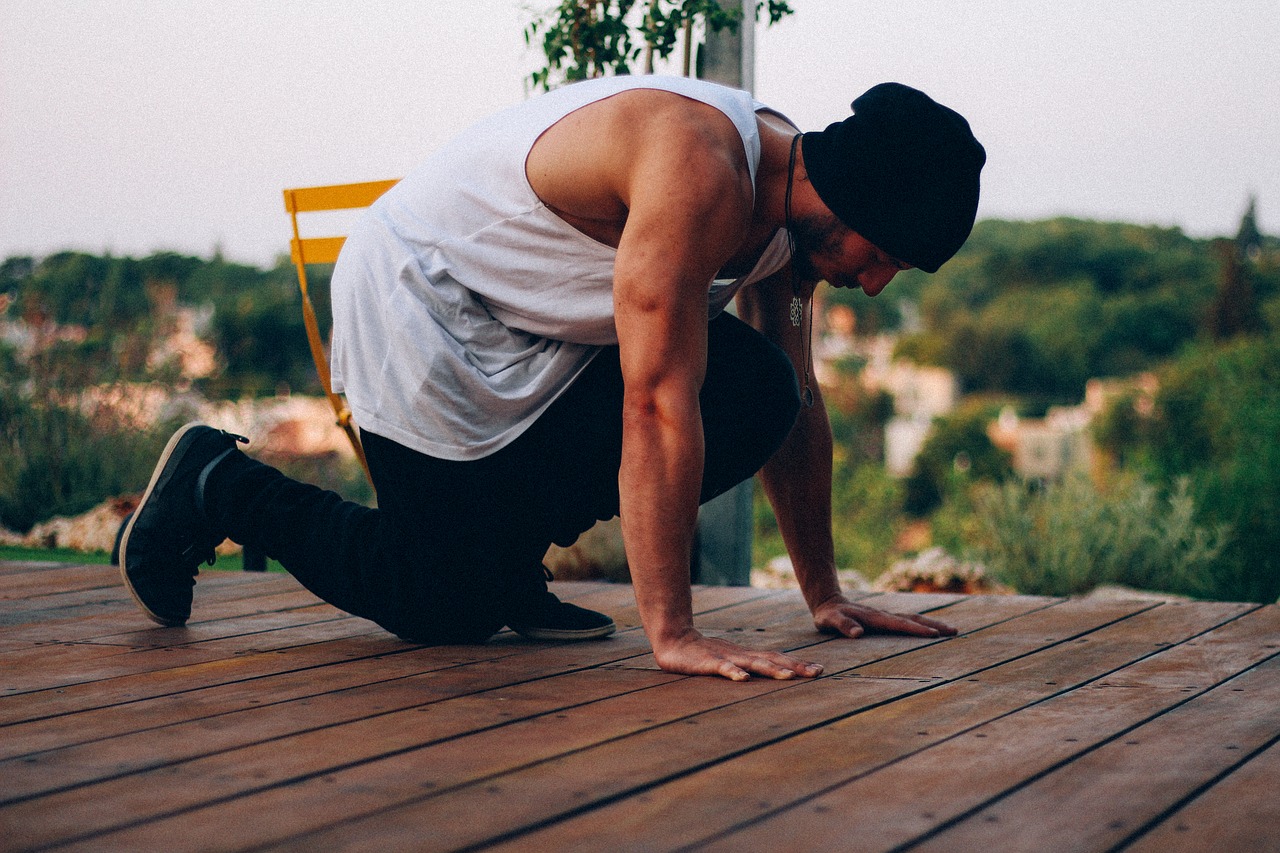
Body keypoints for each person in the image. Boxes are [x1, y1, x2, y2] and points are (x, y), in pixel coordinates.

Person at [119, 75, 984, 681]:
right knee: (438, 603)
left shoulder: (789, 224)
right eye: (887, 259)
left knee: (761, 389)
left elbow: (794, 412)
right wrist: (672, 633)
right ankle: (217, 483)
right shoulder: (700, 169)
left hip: (542, 326)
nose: (875, 283)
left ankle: (505, 564)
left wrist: (825, 593)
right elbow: (654, 403)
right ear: (857, 204)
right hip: (425, 302)